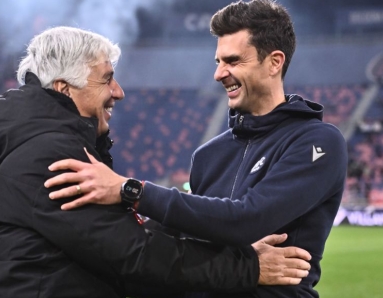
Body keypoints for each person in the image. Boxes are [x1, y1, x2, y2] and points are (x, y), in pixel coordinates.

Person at [0, 26, 312, 298]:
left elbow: (125, 237)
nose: (119, 91)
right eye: (107, 79)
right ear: (65, 89)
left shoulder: (50, 148)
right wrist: (249, 268)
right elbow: (135, 254)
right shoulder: (49, 157)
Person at [44, 1, 348, 298]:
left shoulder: (317, 142)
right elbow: (168, 235)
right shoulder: (209, 155)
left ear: (274, 62)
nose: (219, 73)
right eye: (218, 62)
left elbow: (246, 221)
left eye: (233, 61)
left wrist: (131, 190)